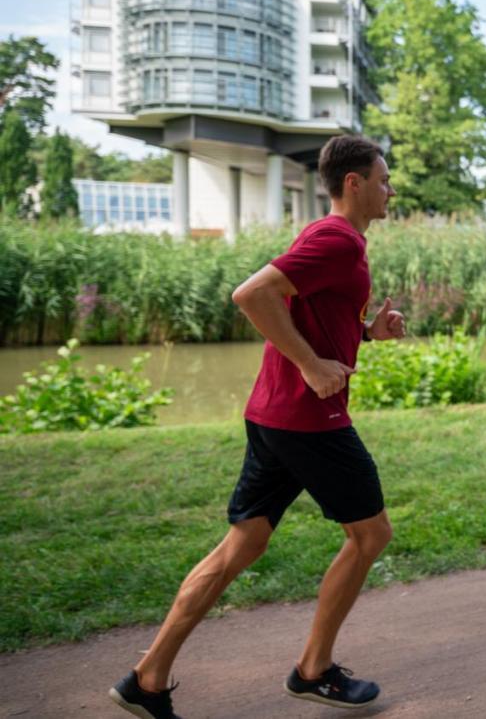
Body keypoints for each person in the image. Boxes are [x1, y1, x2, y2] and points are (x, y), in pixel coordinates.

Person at [109, 135, 405, 719]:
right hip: (308, 420)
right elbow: (252, 294)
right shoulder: (337, 239)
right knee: (370, 536)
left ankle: (146, 679)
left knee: (242, 545)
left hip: (274, 414)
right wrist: (311, 365)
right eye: (384, 179)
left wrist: (367, 332)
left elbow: (302, 307)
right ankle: (313, 671)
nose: (389, 189)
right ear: (354, 183)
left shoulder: (335, 241)